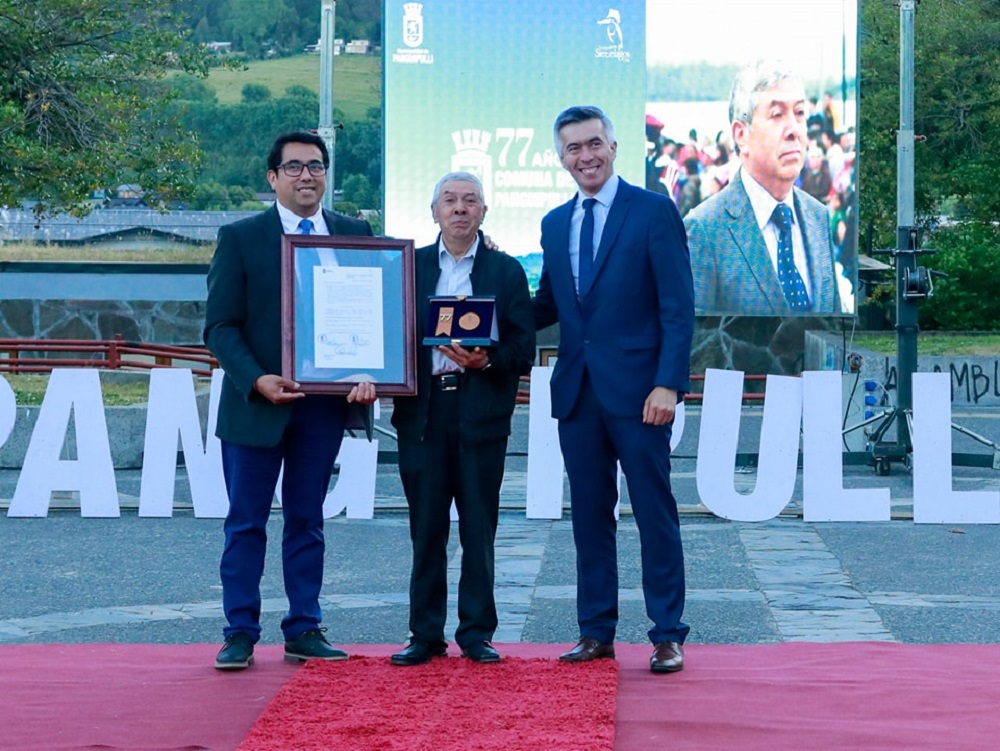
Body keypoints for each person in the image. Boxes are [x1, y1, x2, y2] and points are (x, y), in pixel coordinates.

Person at [205, 130, 378, 670]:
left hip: (322, 408)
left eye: (317, 166)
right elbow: (220, 328)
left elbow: (373, 319)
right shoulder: (240, 238)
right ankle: (239, 631)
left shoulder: (356, 234)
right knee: (246, 522)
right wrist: (257, 379)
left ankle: (304, 626)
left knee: (308, 519)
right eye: (296, 166)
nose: (308, 175)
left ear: (328, 174)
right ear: (273, 177)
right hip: (257, 405)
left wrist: (371, 372)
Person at [533, 105, 694, 674]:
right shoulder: (555, 223)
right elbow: (548, 305)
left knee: (654, 512)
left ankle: (668, 634)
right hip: (578, 394)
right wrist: (480, 318)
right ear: (562, 159)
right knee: (588, 517)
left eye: (593, 143)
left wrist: (668, 384)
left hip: (642, 396)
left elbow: (678, 308)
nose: (586, 156)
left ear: (614, 146)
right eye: (573, 149)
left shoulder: (652, 211)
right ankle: (595, 631)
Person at [389, 172, 535, 666]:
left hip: (480, 415)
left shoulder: (507, 272)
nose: (459, 208)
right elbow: (388, 336)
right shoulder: (408, 268)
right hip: (423, 416)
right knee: (426, 530)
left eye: (470, 200)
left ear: (484, 212)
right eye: (449, 200)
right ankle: (425, 633)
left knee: (479, 529)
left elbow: (524, 348)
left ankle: (476, 633)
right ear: (434, 212)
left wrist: (486, 360)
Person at [684, 61, 843, 316]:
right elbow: (698, 348)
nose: (794, 130)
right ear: (741, 135)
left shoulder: (818, 217)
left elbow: (836, 334)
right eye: (777, 115)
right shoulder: (705, 229)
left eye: (800, 113)